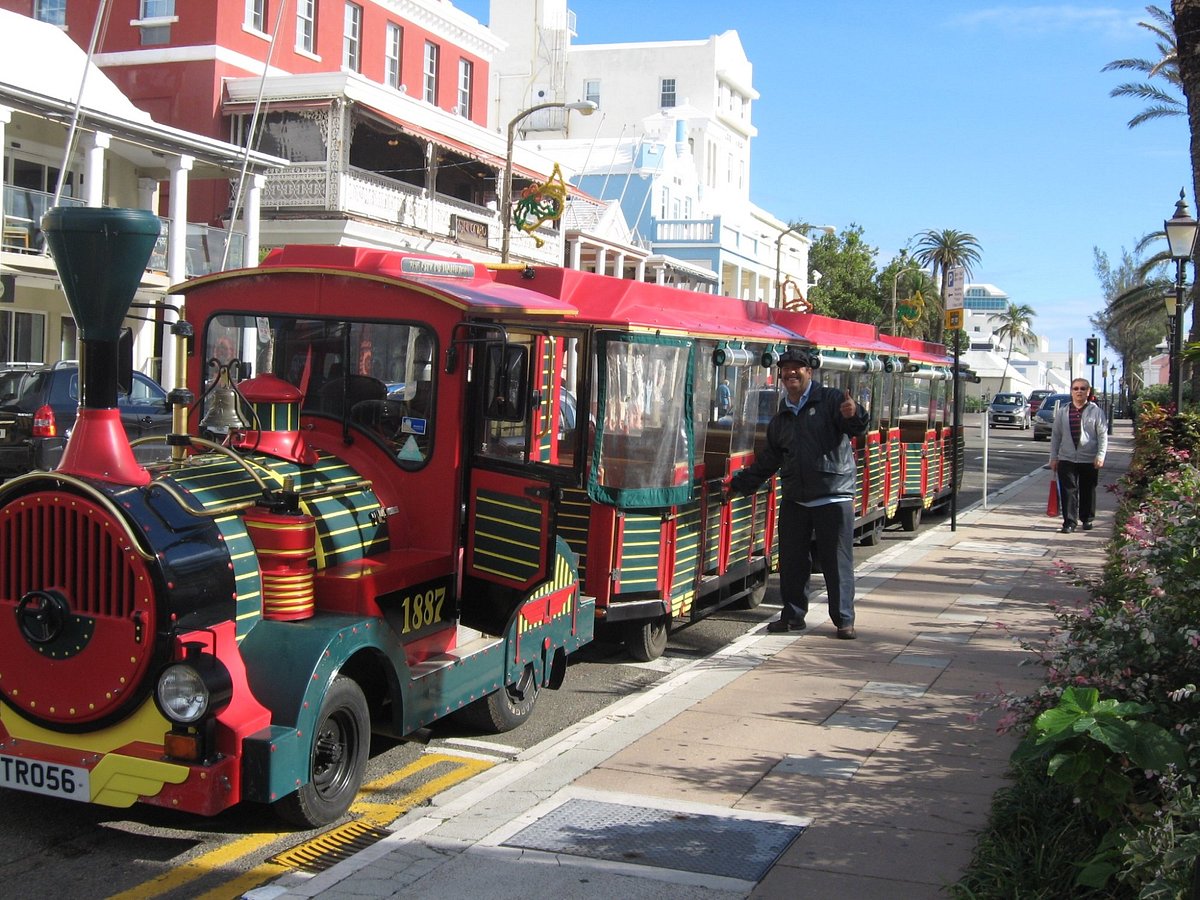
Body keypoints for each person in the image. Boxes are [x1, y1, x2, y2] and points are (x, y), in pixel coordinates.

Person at [726, 348, 868, 639]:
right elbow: (770, 460)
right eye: (786, 369)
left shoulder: (830, 400)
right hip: (795, 497)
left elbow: (856, 426)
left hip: (833, 494)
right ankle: (792, 616)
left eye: (797, 369)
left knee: (836, 562)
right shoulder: (782, 416)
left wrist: (856, 415)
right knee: (791, 562)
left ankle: (843, 620)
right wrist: (739, 485)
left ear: (809, 372)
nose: (791, 373)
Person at [1049, 378, 1107, 533]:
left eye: (1083, 388)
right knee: (1068, 490)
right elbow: (1056, 436)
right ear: (1071, 391)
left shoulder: (1096, 412)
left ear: (1088, 392)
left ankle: (1087, 518)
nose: (1079, 391)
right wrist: (1053, 457)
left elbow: (1102, 435)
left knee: (1088, 489)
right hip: (1066, 457)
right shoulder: (1063, 411)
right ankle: (1069, 522)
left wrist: (1100, 455)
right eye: (1076, 388)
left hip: (1089, 458)